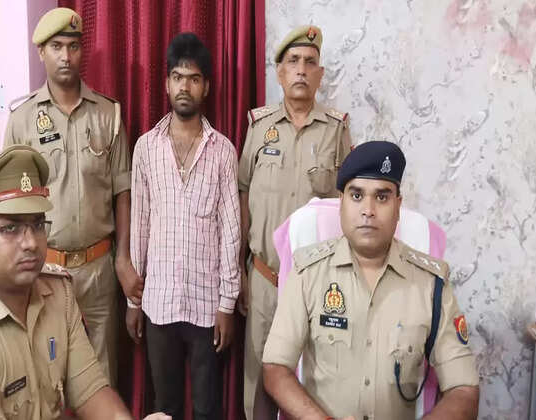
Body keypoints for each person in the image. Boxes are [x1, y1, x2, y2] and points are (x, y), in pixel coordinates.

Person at [0, 145, 169, 420]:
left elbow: (91, 391)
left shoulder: (58, 292)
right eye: (11, 228)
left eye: (37, 225)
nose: (31, 242)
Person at [262, 141, 480, 420]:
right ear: (341, 203)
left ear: (398, 206)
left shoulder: (431, 284)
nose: (368, 210)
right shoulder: (308, 273)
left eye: (382, 197)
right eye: (356, 195)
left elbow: (464, 390)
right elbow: (275, 369)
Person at [3, 7, 139, 384]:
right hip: (44, 270)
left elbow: (123, 191)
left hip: (99, 271)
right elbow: (11, 202)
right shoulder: (22, 120)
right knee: (47, 377)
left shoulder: (107, 114)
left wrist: (123, 258)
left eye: (73, 46)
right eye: (57, 47)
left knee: (102, 378)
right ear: (41, 53)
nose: (66, 56)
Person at [237, 24, 352, 420]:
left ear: (320, 75)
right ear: (280, 72)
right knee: (258, 378)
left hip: (314, 284)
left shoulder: (337, 129)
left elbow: (346, 206)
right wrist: (241, 268)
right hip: (264, 280)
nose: (301, 69)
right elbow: (242, 193)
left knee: (310, 380)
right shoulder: (259, 126)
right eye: (293, 61)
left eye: (310, 62)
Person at [128, 32, 241, 420]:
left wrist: (227, 305)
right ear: (166, 84)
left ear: (205, 87)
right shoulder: (146, 148)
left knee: (208, 408)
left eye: (193, 79)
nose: (184, 87)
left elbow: (231, 231)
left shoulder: (223, 150)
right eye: (177, 77)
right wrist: (134, 302)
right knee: (166, 407)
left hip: (207, 304)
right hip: (158, 303)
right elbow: (139, 226)